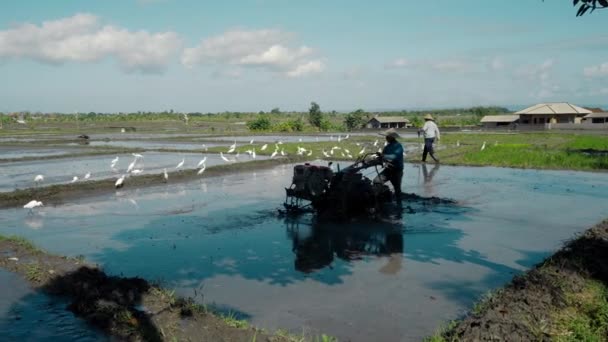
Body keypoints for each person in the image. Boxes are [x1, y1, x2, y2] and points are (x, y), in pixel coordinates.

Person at [373, 128, 404, 198]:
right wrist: (376, 159)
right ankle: (380, 197)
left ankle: (399, 204)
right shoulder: (387, 147)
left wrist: (383, 156)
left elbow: (394, 157)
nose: (386, 138)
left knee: (397, 189)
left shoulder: (398, 146)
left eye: (387, 136)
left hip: (396, 171)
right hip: (388, 170)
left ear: (391, 138)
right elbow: (383, 158)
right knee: (376, 181)